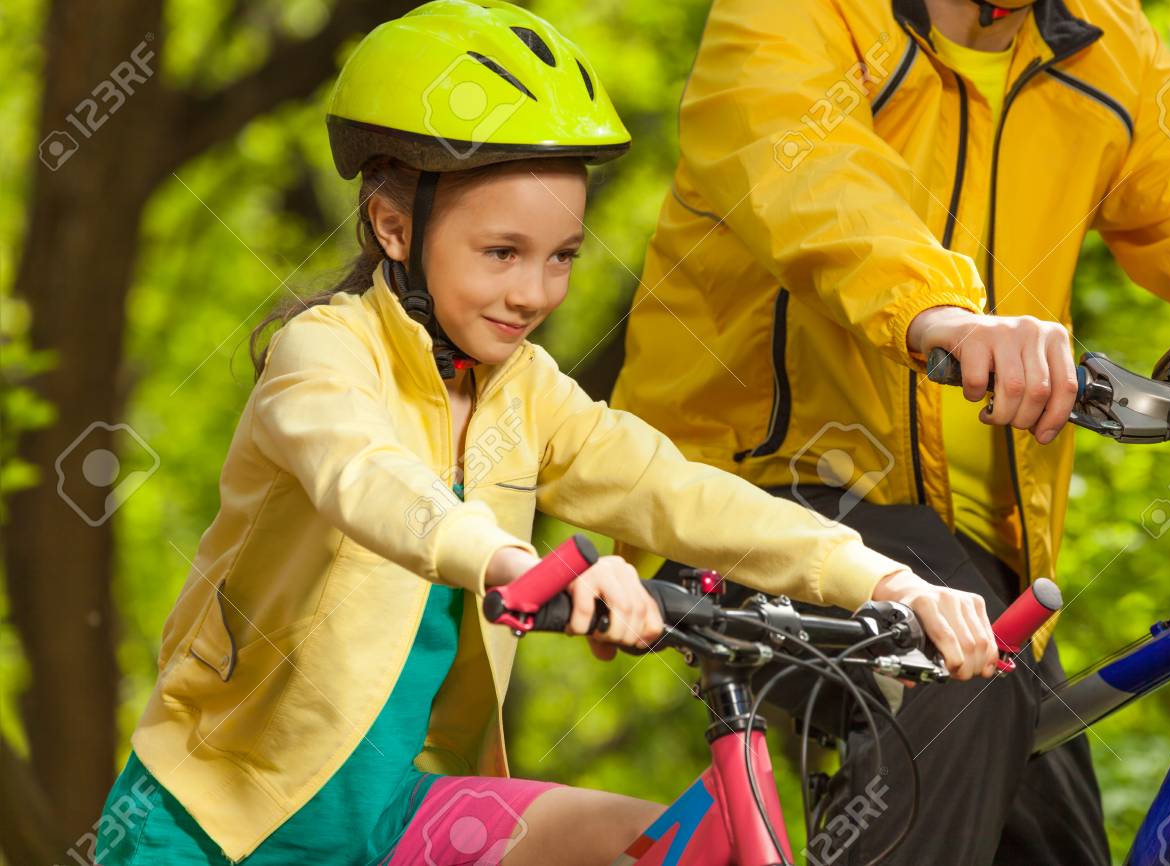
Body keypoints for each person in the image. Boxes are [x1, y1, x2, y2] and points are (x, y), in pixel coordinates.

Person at [92, 3, 1001, 865]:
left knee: (679, 845)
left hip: (397, 819)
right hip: (215, 825)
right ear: (394, 226)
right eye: (502, 253)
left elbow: (674, 491)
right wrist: (515, 565)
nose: (534, 293)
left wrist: (883, 579)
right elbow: (366, 479)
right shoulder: (325, 353)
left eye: (561, 256)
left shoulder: (523, 392)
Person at [610, 0, 1170, 862]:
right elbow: (806, 173)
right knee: (961, 678)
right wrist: (940, 313)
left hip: (981, 568)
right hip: (751, 499)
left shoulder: (1104, 45)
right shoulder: (798, 15)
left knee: (1053, 840)